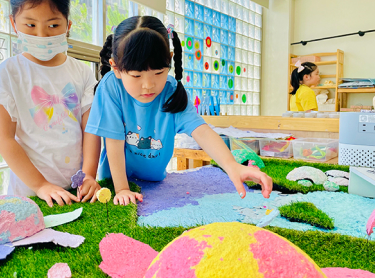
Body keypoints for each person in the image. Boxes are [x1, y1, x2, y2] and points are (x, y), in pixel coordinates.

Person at [86, 16, 273, 205]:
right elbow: (113, 141)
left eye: (158, 73)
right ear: (116, 69)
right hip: (114, 183)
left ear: (170, 60)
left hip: (156, 182)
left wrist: (232, 166)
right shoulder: (111, 86)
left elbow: (201, 130)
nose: (148, 85)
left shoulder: (171, 90)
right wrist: (122, 189)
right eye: (136, 75)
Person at [0, 0, 101, 207]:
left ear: (68, 25)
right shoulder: (10, 73)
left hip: (77, 190)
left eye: (53, 26)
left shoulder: (81, 72)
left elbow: (90, 129)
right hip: (30, 193)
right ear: (13, 23)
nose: (42, 36)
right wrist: (41, 185)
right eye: (30, 25)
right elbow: (4, 138)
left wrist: (89, 174)